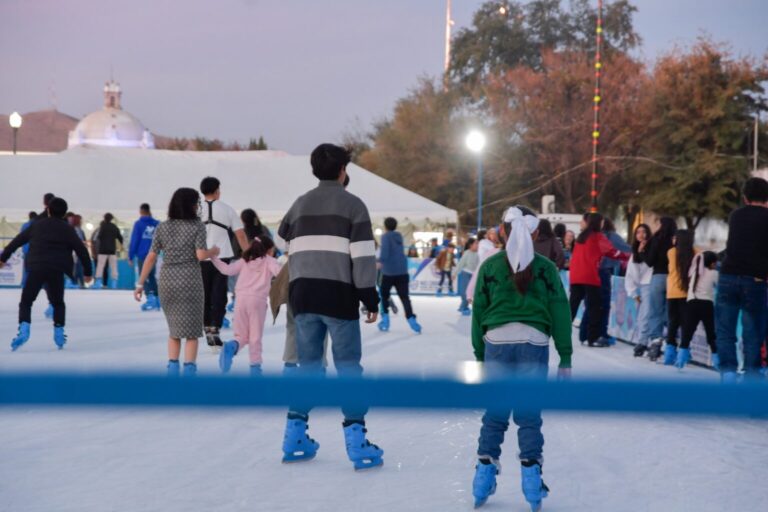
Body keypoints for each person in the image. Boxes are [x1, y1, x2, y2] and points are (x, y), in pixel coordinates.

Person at [277, 143, 382, 470]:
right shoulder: (354, 205)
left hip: (303, 294)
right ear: (342, 171)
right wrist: (370, 298)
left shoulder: (300, 204)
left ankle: (294, 436)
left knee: (308, 367)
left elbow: (283, 238)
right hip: (338, 295)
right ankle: (357, 442)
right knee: (348, 367)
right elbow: (363, 256)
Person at [470, 206, 572, 511]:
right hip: (534, 343)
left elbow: (478, 313)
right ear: (536, 233)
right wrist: (565, 356)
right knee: (528, 414)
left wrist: (480, 355)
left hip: (496, 343)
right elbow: (560, 311)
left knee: (495, 413)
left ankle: (482, 480)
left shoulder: (490, 266)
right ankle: (531, 480)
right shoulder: (547, 268)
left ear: (502, 231)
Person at [134, 188, 220, 377]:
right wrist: (213, 251)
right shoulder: (197, 226)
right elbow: (200, 255)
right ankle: (189, 371)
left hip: (168, 282)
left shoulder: (163, 227)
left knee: (174, 331)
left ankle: (172, 368)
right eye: (197, 203)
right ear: (192, 205)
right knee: (191, 333)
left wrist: (140, 284)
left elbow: (151, 257)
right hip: (190, 282)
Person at [1, 197, 93, 351]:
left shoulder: (37, 225)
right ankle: (59, 331)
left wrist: (3, 258)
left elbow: (17, 241)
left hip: (36, 267)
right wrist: (88, 272)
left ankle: (24, 328)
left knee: (26, 301)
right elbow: (81, 250)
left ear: (48, 210)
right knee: (58, 303)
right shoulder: (67, 229)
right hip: (56, 269)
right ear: (64, 213)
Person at [716, 177, 768, 381]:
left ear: (745, 197)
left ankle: (728, 372)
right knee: (753, 332)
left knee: (725, 329)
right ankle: (751, 376)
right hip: (755, 280)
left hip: (728, 276)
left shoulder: (735, 216)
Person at [215, 236, 281, 376]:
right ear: (269, 250)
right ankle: (255, 368)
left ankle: (231, 346)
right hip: (257, 302)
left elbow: (227, 270)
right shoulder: (269, 261)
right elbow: (280, 274)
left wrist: (213, 257)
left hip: (240, 300)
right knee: (255, 337)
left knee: (241, 335)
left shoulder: (245, 260)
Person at [199, 176, 249, 350]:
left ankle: (207, 329)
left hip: (201, 257)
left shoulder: (196, 210)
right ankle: (215, 329)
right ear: (217, 191)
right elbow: (240, 235)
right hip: (223, 257)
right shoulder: (227, 209)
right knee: (219, 295)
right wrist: (249, 255)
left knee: (204, 295)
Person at [569, 213, 627, 347]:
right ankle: (592, 337)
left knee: (572, 306)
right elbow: (612, 252)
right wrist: (628, 256)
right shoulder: (598, 237)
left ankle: (560, 332)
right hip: (590, 276)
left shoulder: (581, 237)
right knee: (595, 307)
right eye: (601, 222)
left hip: (576, 276)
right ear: (598, 223)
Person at [377, 217, 421, 334]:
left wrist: (379, 262)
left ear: (385, 226)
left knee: (384, 295)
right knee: (404, 297)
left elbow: (385, 252)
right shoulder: (399, 236)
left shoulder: (385, 236)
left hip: (389, 272)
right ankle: (411, 319)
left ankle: (385, 320)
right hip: (402, 271)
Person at [641, 217, 677, 361]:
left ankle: (655, 342)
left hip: (658, 278)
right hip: (673, 279)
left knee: (655, 311)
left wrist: (642, 251)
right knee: (671, 312)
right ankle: (671, 342)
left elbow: (649, 262)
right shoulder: (676, 240)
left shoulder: (656, 239)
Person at [677, 251, 719, 369]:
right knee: (711, 333)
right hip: (707, 305)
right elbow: (719, 286)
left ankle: (681, 359)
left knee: (687, 332)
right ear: (712, 263)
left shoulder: (694, 272)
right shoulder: (714, 273)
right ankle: (717, 360)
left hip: (692, 304)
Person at [662, 229, 695, 365]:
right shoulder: (695, 253)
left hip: (672, 292)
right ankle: (683, 353)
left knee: (673, 322)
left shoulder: (671, 252)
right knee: (686, 323)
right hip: (687, 293)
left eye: (675, 238)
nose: (673, 240)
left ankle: (669, 353)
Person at [625, 224, 654, 356]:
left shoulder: (653, 249)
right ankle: (643, 342)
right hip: (643, 286)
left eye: (644, 232)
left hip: (652, 283)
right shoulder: (634, 254)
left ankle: (646, 342)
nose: (641, 235)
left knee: (648, 315)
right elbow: (631, 275)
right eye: (638, 232)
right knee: (643, 315)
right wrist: (633, 293)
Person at [128, 204, 160, 311]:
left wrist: (130, 255)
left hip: (142, 254)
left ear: (141, 211)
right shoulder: (157, 223)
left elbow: (135, 240)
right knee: (151, 275)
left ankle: (150, 299)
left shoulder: (139, 224)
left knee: (144, 276)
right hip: (154, 254)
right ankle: (157, 299)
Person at [92, 213, 123, 289]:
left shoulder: (102, 227)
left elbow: (97, 237)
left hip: (102, 250)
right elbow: (120, 237)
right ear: (111, 219)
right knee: (114, 267)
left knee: (100, 266)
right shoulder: (114, 227)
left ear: (104, 218)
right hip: (112, 250)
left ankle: (98, 282)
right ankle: (114, 283)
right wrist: (120, 246)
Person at [456, 237, 479, 315]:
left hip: (473, 275)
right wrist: (455, 273)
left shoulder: (478, 254)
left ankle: (463, 306)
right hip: (465, 274)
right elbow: (461, 263)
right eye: (476, 243)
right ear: (470, 245)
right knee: (465, 292)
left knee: (471, 292)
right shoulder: (467, 253)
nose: (477, 245)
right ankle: (463, 307)